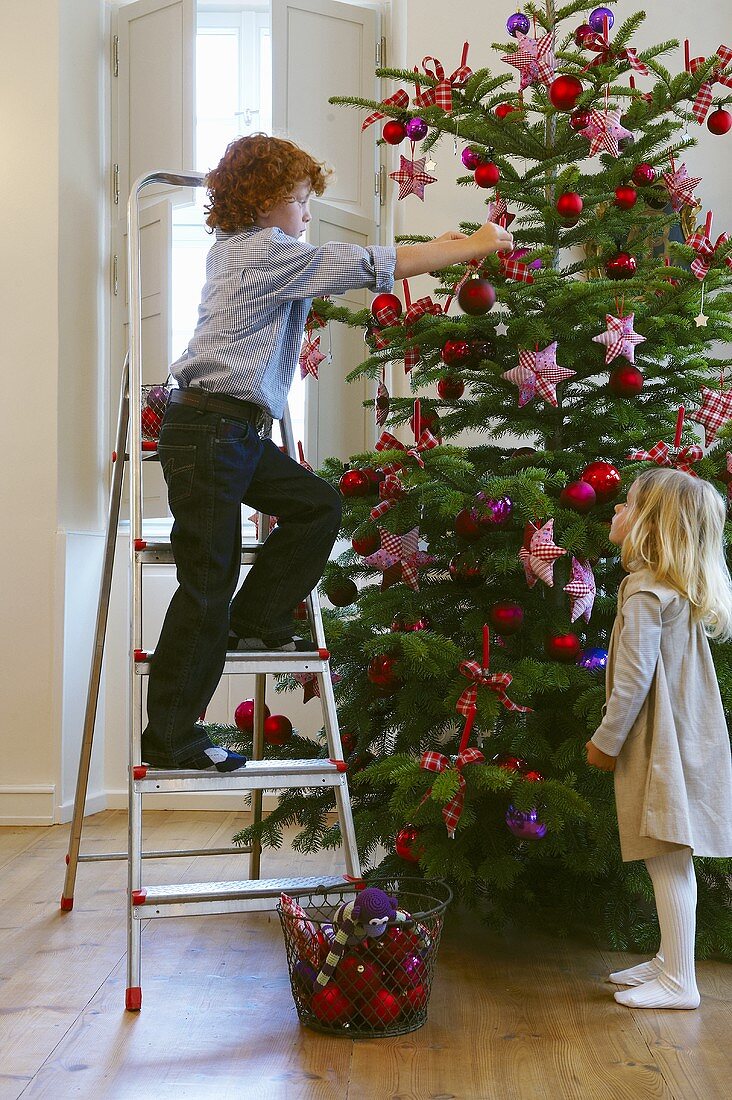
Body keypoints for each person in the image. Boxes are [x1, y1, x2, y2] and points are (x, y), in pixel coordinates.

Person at [141, 132, 514, 773]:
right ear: (263, 204)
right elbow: (373, 263)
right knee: (205, 582)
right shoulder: (266, 253)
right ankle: (170, 736)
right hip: (210, 432)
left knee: (316, 505)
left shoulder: (235, 250)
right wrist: (471, 246)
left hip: (232, 432)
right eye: (299, 200)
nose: (306, 213)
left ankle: (256, 616)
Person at [586, 466, 732, 1010]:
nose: (615, 512)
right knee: (670, 854)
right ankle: (672, 961)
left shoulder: (645, 592)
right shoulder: (674, 587)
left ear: (651, 525)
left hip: (659, 741)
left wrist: (606, 740)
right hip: (689, 736)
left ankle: (681, 981)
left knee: (666, 855)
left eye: (626, 506)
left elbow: (632, 681)